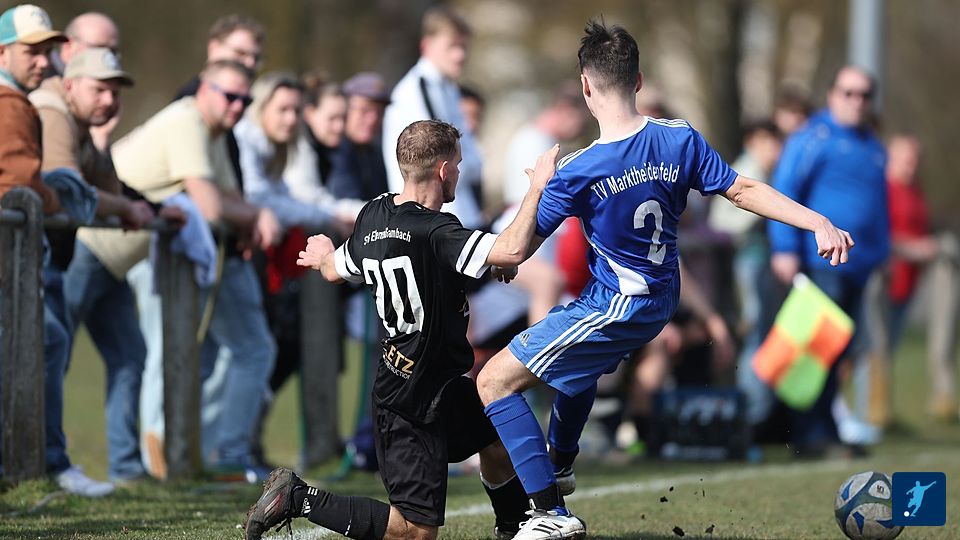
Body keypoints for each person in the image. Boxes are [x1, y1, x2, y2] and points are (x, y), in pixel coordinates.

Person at [473, 21, 853, 538]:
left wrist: (538, 188)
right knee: (578, 362)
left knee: (493, 381)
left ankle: (549, 514)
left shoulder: (577, 170)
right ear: (638, 80)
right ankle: (559, 464)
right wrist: (817, 221)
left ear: (586, 87)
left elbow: (513, 251)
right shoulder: (679, 138)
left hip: (618, 304)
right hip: (659, 298)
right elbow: (743, 190)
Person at [244, 119, 557, 540]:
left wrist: (323, 256)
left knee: (497, 442)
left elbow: (338, 269)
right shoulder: (437, 230)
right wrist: (537, 188)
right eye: (457, 164)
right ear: (443, 171)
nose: (459, 172)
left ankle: (513, 530)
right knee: (415, 532)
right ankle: (297, 497)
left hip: (439, 385)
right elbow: (511, 248)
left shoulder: (374, 215)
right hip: (409, 403)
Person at [117, 59, 280, 480]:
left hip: (141, 252)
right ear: (204, 89)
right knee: (158, 353)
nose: (238, 106)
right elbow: (210, 207)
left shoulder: (214, 131)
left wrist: (252, 215)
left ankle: (191, 460)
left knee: (158, 354)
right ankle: (155, 462)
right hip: (109, 250)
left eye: (245, 100)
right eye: (230, 96)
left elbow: (228, 198)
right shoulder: (187, 121)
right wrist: (257, 216)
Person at [0, 3, 117, 497]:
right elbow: (19, 180)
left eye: (47, 50)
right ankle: (35, 462)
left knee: (47, 337)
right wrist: (58, 197)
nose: (42, 60)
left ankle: (31, 462)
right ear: (3, 53)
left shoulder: (19, 100)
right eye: (30, 51)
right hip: (9, 258)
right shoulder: (10, 102)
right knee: (45, 338)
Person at [29, 46, 159, 484]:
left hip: (58, 257)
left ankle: (122, 466)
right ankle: (42, 464)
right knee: (49, 349)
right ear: (70, 85)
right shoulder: (53, 113)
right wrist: (125, 208)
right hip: (39, 259)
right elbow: (68, 188)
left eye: (116, 92)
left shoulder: (82, 124)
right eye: (100, 90)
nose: (110, 100)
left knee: (123, 352)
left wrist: (147, 207)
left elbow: (109, 187)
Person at [767, 65, 889, 453]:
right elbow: (784, 191)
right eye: (849, 93)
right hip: (821, 263)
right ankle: (808, 433)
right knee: (815, 351)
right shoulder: (812, 138)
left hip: (859, 268)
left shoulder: (873, 145)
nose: (857, 101)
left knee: (840, 352)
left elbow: (877, 207)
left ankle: (826, 428)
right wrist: (785, 248)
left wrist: (881, 253)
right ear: (833, 94)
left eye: (865, 94)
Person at [382, 6, 484, 229]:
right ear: (426, 45)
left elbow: (470, 156)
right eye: (452, 46)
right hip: (429, 221)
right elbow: (432, 162)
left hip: (458, 213)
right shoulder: (415, 91)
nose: (460, 55)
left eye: (463, 47)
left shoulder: (448, 88)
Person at [884, 134, 959, 420]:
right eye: (906, 158)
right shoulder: (884, 189)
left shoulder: (915, 190)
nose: (912, 164)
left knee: (891, 344)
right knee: (871, 348)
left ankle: (939, 399)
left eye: (916, 159)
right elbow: (881, 237)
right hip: (886, 279)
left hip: (910, 281)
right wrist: (920, 248)